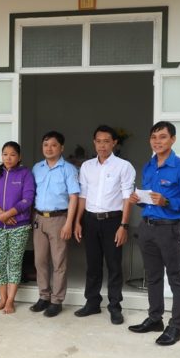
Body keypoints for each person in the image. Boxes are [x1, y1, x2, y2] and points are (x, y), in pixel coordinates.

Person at [127, 121, 180, 345]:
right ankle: (155, 318)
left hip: (168, 229)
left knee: (176, 277)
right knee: (153, 276)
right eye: (154, 137)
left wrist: (167, 201)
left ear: (173, 139)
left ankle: (177, 326)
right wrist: (138, 199)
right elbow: (149, 199)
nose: (157, 141)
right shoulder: (148, 166)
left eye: (163, 137)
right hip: (146, 227)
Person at [73, 125, 135, 324]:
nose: (102, 145)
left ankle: (115, 306)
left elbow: (127, 198)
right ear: (94, 142)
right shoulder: (86, 166)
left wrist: (123, 226)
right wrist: (77, 221)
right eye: (99, 141)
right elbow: (82, 196)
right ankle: (92, 302)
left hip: (113, 221)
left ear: (114, 143)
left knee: (114, 265)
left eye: (106, 141)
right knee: (92, 264)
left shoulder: (124, 166)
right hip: (90, 220)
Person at [30, 131, 79, 317]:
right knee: (40, 260)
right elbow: (31, 193)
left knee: (59, 262)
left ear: (61, 148)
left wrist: (69, 223)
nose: (49, 148)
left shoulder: (69, 169)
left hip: (59, 219)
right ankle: (44, 296)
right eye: (45, 145)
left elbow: (74, 197)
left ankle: (57, 300)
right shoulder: (37, 168)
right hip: (39, 218)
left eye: (53, 145)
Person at [0, 141, 35, 314]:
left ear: (19, 157)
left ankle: (10, 300)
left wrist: (9, 214)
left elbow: (27, 199)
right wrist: (2, 215)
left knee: (14, 262)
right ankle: (2, 298)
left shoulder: (25, 174)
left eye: (12, 154)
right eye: (5, 154)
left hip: (19, 226)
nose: (8, 158)